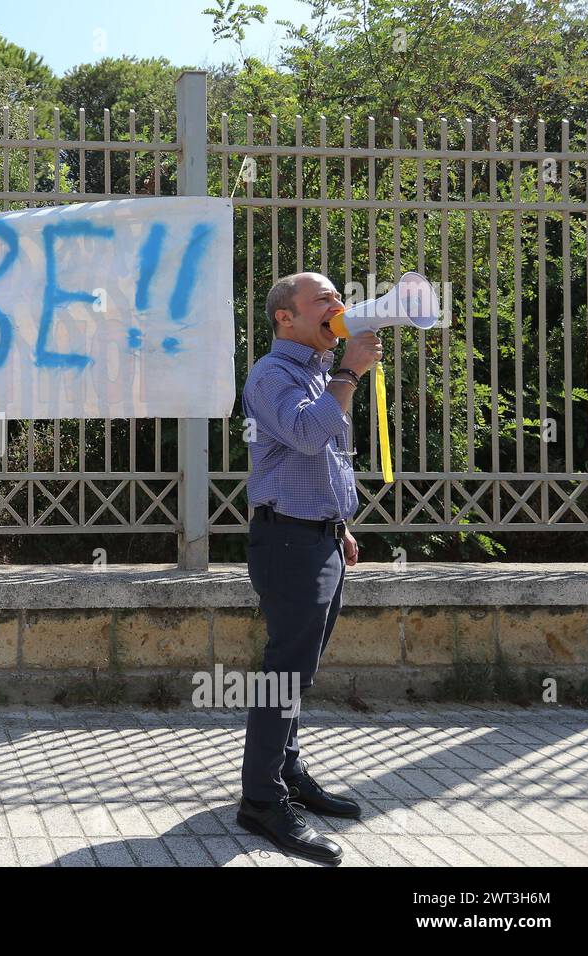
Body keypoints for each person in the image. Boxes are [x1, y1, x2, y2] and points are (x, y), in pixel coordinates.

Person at [236, 272, 383, 865]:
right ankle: (261, 802)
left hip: (318, 539)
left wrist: (339, 526)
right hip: (287, 545)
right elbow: (302, 435)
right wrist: (349, 372)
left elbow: (324, 461)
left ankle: (289, 774)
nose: (337, 306)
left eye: (337, 297)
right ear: (285, 318)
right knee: (284, 673)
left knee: (301, 669)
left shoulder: (320, 372)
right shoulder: (273, 375)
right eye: (321, 299)